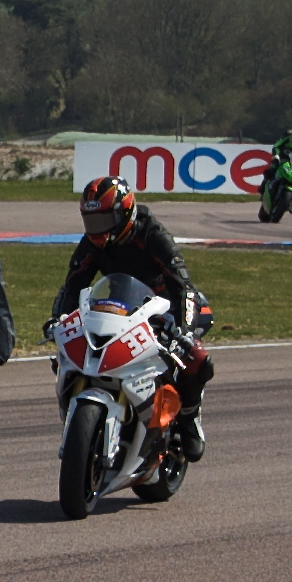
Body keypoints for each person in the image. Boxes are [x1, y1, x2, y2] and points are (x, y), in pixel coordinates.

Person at [52, 177, 213, 461]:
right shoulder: (92, 243)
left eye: (104, 219)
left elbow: (183, 286)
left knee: (197, 357)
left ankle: (189, 418)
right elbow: (73, 284)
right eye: (91, 221)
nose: (96, 229)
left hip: (162, 309)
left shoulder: (152, 235)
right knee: (74, 348)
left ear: (125, 213)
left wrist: (184, 332)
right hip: (120, 305)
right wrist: (60, 319)